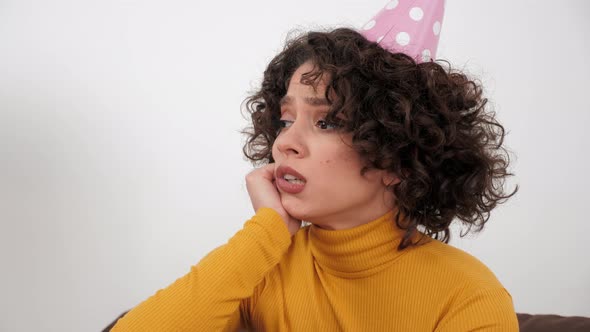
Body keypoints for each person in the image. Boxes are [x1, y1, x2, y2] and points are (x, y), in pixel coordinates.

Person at [112, 2, 518, 331]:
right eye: (286, 120)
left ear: (398, 156)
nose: (284, 142)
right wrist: (264, 234)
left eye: (327, 121)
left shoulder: (466, 293)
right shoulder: (262, 265)